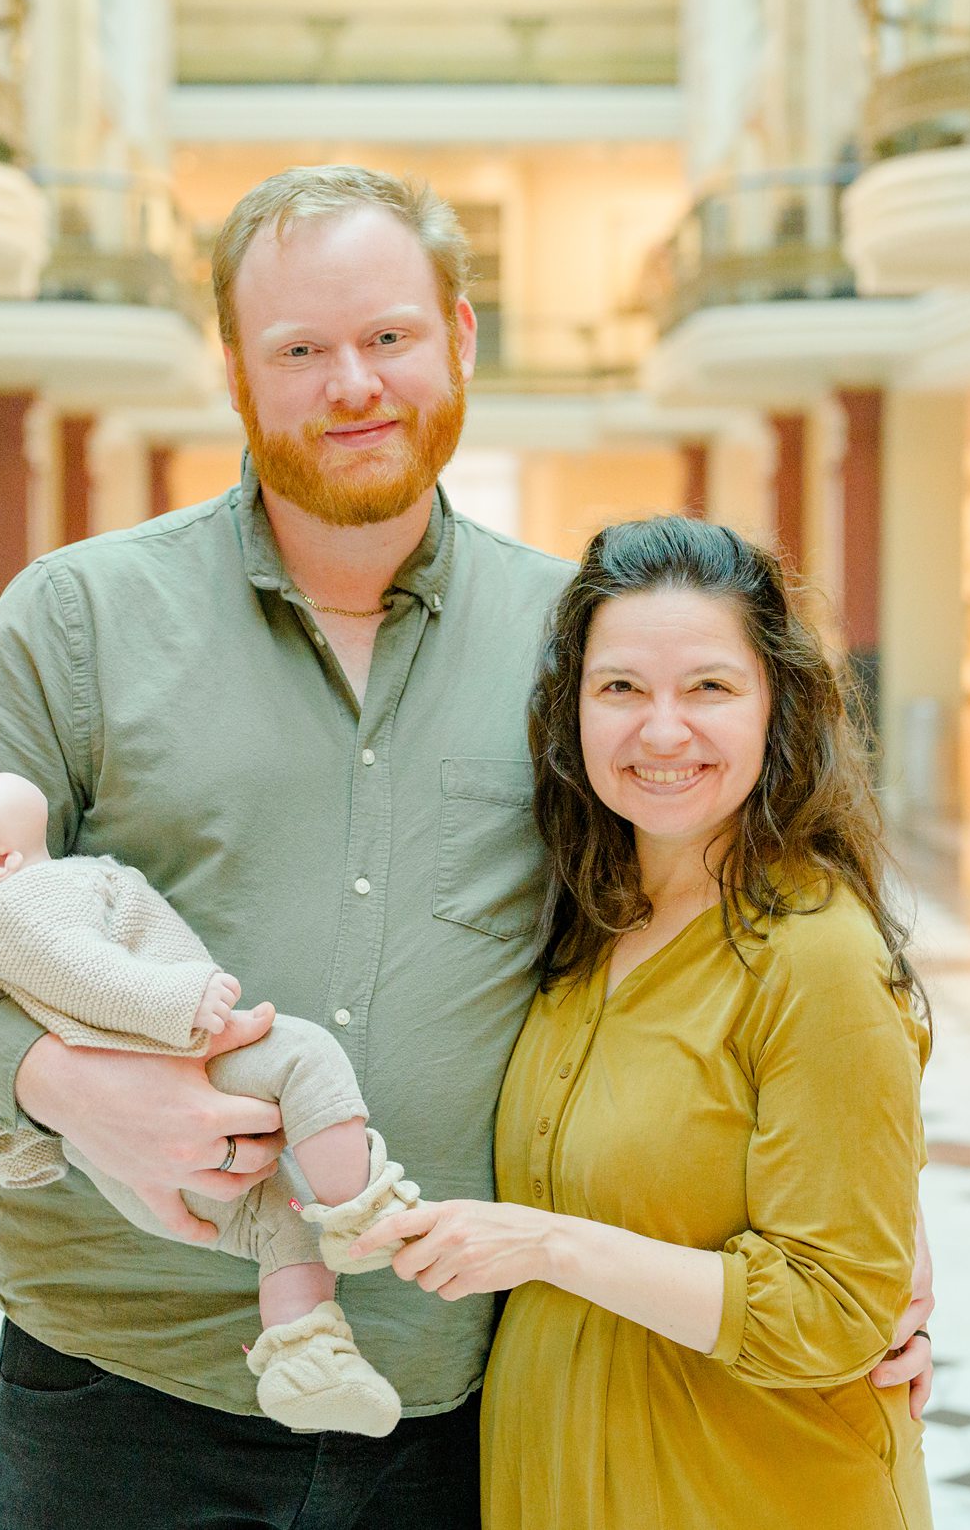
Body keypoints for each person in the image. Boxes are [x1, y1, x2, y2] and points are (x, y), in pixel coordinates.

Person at [0, 164, 932, 1530]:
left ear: (460, 341)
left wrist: (879, 1221)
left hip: (451, 1394)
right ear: (237, 368)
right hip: (126, 1388)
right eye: (300, 349)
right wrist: (56, 1079)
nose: (353, 383)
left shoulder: (576, 647)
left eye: (389, 338)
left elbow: (724, 925)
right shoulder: (77, 620)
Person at [355, 517, 935, 1529]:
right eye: (621, 688)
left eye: (709, 687)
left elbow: (838, 1311)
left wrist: (546, 1245)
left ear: (778, 707)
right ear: (572, 709)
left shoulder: (815, 952)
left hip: (751, 1492)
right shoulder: (585, 917)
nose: (662, 731)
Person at [0, 756, 425, 1435]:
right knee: (308, 1058)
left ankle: (306, 1354)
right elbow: (88, 974)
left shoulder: (4, 916)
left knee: (279, 1214)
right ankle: (361, 1215)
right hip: (176, 1062)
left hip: (136, 1155)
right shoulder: (25, 905)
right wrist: (182, 998)